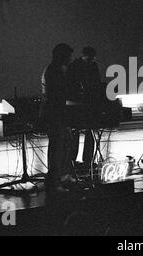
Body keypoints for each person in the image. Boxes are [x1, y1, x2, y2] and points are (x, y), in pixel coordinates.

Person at [40, 43, 75, 192]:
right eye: (68, 56)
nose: (70, 59)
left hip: (56, 113)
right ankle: (54, 182)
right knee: (57, 148)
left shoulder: (54, 69)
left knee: (61, 146)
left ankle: (60, 176)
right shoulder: (55, 71)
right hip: (55, 115)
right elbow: (57, 96)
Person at [68, 46, 102, 168]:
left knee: (85, 132)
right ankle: (77, 160)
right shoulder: (79, 66)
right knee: (79, 132)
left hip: (84, 103)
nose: (91, 60)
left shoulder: (78, 65)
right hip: (80, 103)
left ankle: (79, 161)